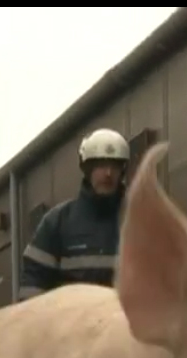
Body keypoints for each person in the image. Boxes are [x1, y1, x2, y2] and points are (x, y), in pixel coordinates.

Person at [18, 128, 129, 300]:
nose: (108, 174)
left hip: (125, 324)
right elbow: (33, 285)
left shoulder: (142, 222)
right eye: (100, 165)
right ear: (87, 169)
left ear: (122, 171)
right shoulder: (57, 222)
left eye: (114, 166)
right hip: (71, 325)